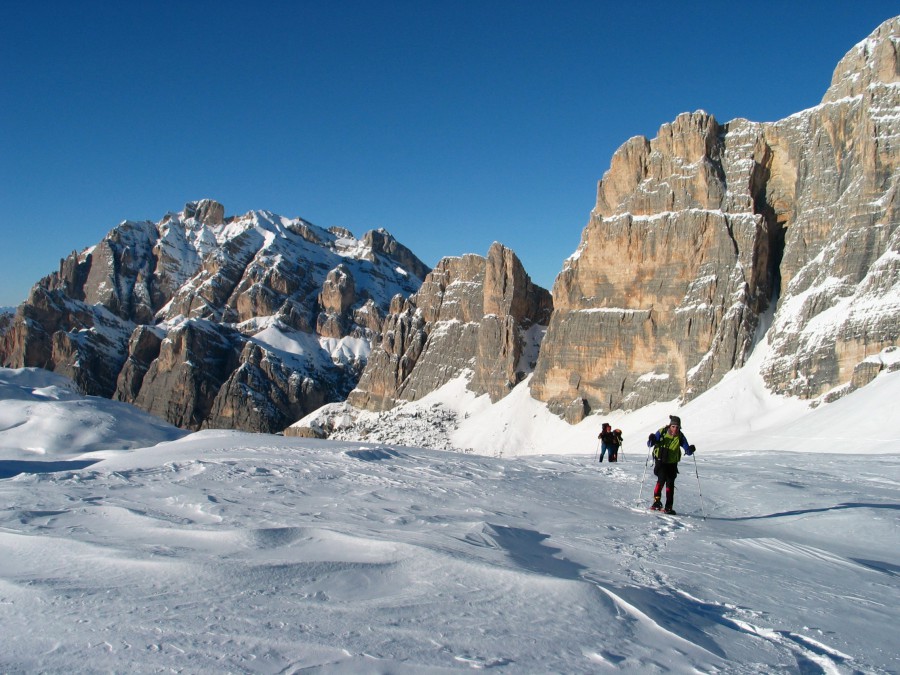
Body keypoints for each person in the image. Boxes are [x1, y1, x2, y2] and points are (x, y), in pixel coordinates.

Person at [646, 415, 695, 514]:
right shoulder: (662, 432)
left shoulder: (680, 436)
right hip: (661, 461)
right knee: (661, 480)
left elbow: (687, 450)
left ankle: (668, 507)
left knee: (670, 484)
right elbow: (650, 444)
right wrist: (651, 439)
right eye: (673, 426)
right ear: (670, 426)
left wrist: (690, 449)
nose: (675, 429)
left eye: (677, 427)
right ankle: (656, 502)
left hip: (672, 463)